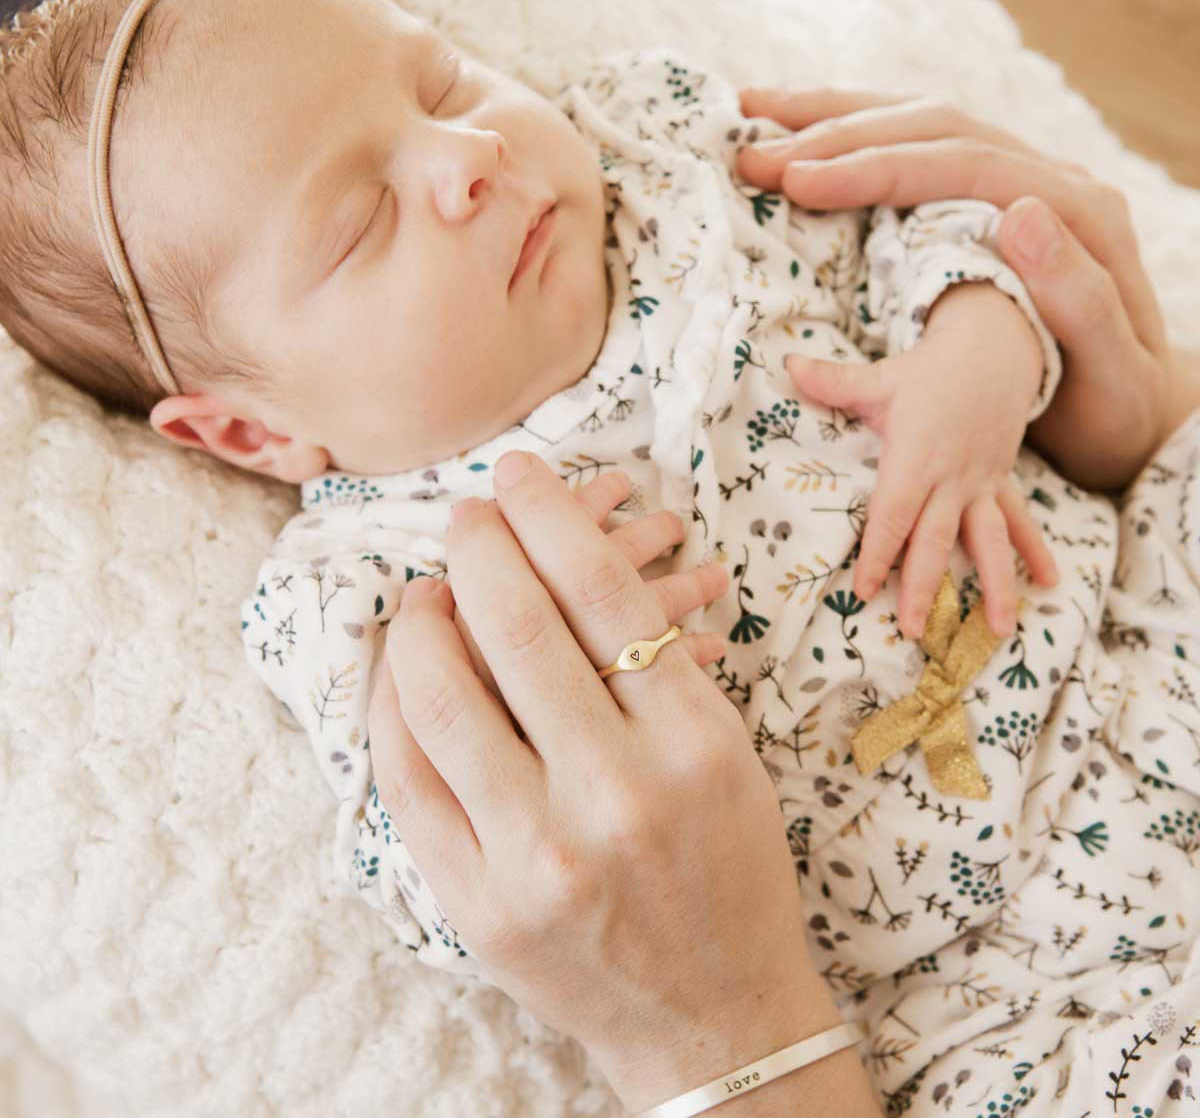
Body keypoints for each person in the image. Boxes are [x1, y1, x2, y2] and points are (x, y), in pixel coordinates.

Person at [367, 95, 1200, 1117]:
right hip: (987, 980)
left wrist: (980, 351)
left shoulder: (666, 179)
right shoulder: (374, 572)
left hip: (1130, 612)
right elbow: (454, 864)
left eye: (442, 84)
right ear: (250, 432)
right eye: (360, 220)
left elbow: (928, 222)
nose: (471, 149)